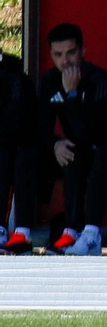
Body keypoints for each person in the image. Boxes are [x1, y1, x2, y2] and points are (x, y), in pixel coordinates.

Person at [36, 22, 107, 256]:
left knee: (92, 151)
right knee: (64, 152)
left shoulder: (98, 80)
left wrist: (72, 93)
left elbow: (91, 132)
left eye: (71, 53)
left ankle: (90, 234)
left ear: (83, 51)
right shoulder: (49, 81)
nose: (65, 61)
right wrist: (55, 143)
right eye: (58, 55)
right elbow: (39, 127)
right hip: (76, 149)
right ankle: (66, 231)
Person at [0, 49, 37, 254]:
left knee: (10, 154)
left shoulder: (14, 78)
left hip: (18, 146)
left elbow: (19, 123)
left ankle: (11, 230)